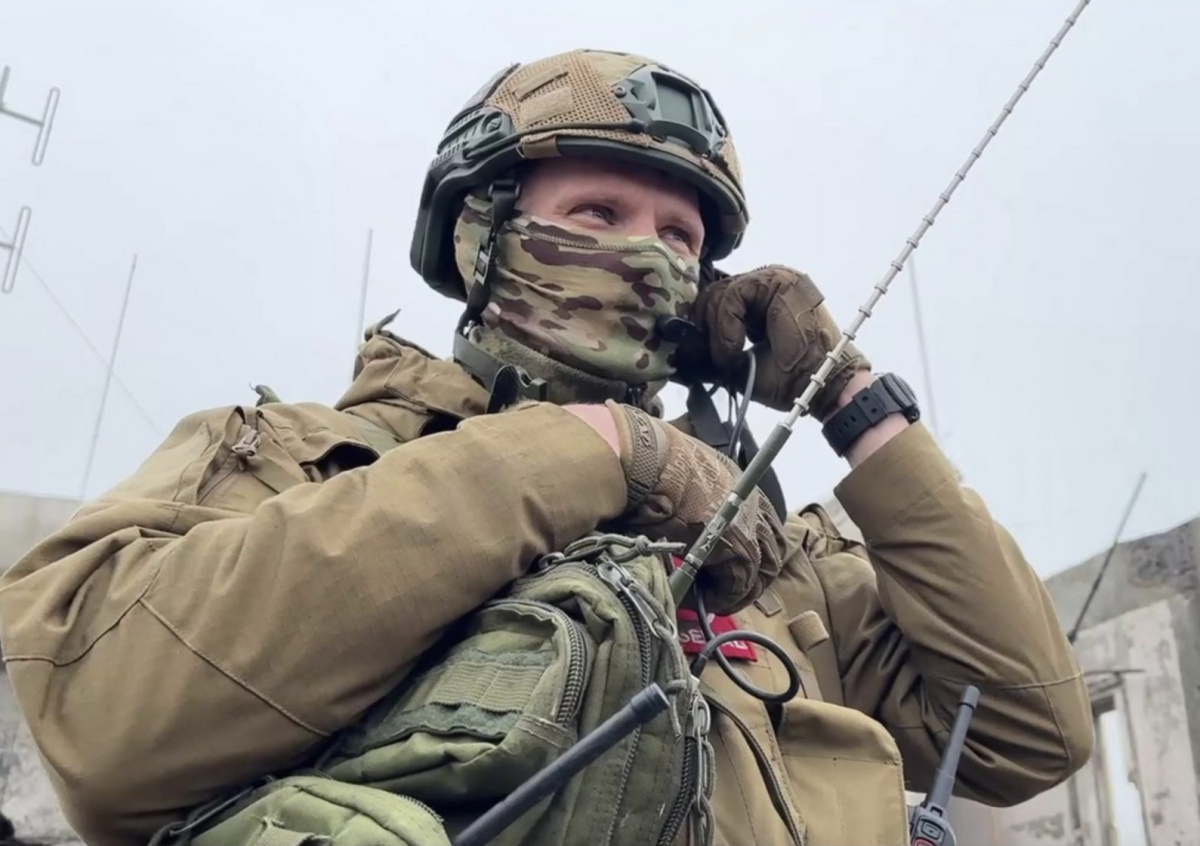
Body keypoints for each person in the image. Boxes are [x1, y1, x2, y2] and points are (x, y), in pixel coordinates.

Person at [0, 48, 1093, 846]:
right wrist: (596, 448)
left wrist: (850, 397)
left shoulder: (763, 548)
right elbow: (106, 726)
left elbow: (1027, 730)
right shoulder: (306, 459)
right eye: (600, 212)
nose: (649, 257)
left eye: (680, 237)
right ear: (480, 231)